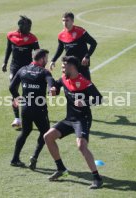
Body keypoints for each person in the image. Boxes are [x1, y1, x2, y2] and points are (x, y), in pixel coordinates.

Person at [44, 56, 103, 189]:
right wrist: (53, 90)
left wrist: (85, 102)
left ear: (73, 67)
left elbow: (99, 99)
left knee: (81, 146)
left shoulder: (84, 82)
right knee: (48, 137)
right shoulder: (64, 78)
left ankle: (97, 178)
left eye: (64, 66)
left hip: (83, 119)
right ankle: (61, 169)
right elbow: (56, 86)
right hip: (69, 119)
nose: (62, 69)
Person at [9, 49, 55, 170]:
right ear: (41, 59)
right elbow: (51, 85)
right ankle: (34, 156)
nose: (47, 60)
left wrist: (17, 98)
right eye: (46, 58)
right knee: (46, 133)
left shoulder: (22, 69)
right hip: (39, 109)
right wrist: (52, 89)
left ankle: (15, 159)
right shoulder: (44, 72)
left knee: (25, 132)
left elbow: (11, 87)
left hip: (25, 108)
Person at [3, 15, 40, 128]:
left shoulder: (32, 38)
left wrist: (38, 66)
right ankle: (17, 119)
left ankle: (29, 112)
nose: (29, 28)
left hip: (27, 68)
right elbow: (8, 49)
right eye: (27, 26)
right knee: (13, 89)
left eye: (30, 26)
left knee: (27, 91)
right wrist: (4, 62)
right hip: (14, 67)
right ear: (20, 26)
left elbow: (38, 53)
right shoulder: (11, 35)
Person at [49, 12, 97, 80]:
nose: (65, 23)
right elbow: (60, 48)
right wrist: (53, 60)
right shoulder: (61, 35)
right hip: (69, 64)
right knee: (69, 85)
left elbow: (93, 43)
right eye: (63, 21)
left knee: (86, 84)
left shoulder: (81, 31)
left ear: (72, 21)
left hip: (82, 63)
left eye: (67, 20)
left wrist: (87, 56)